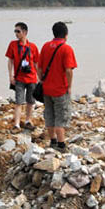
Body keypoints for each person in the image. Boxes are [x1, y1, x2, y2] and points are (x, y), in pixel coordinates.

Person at [38, 21, 77, 151]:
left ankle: (53, 141)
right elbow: (69, 70)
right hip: (60, 89)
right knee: (61, 117)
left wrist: (41, 80)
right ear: (66, 34)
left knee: (49, 114)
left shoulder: (45, 46)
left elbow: (39, 67)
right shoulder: (66, 48)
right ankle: (61, 145)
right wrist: (69, 86)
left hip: (46, 88)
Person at [5, 22, 39, 132]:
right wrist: (10, 76)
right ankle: (17, 124)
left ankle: (28, 121)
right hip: (19, 78)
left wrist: (39, 78)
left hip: (32, 78)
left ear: (25, 32)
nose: (16, 33)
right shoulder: (13, 45)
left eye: (18, 31)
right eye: (15, 31)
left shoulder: (33, 47)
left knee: (30, 101)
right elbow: (10, 61)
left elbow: (36, 64)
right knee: (18, 102)